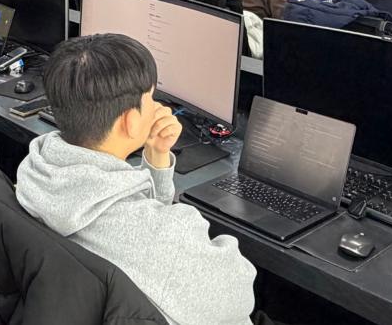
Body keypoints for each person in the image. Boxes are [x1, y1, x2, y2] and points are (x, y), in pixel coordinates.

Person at [16, 34, 258, 325]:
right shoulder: (167, 237)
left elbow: (137, 222)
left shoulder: (36, 172)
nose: (157, 108)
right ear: (130, 121)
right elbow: (237, 296)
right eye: (151, 99)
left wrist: (156, 157)